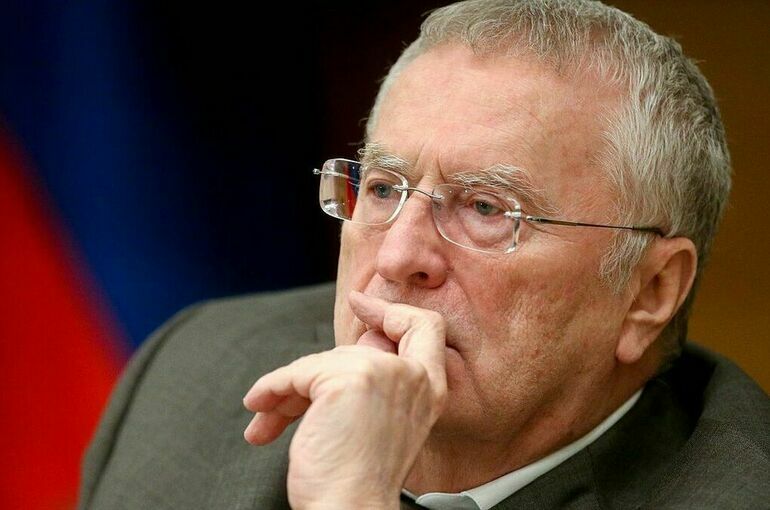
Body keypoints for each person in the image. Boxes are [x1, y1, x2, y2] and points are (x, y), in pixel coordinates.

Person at [78, 1, 770, 509]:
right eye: (383, 188)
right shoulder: (194, 368)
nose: (399, 256)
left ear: (650, 292)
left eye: (487, 209)